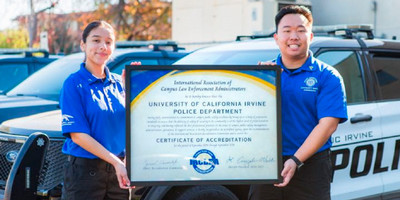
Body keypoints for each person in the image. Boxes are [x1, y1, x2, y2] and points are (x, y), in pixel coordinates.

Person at [249, 5, 348, 200]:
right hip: (265, 165)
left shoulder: (327, 76)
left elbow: (327, 126)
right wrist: (257, 82)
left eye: (301, 31)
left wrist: (296, 160)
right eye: (287, 31)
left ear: (310, 37)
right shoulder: (262, 75)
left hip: (311, 167)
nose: (294, 36)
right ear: (277, 38)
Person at [60, 20, 131, 200]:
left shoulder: (119, 83)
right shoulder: (74, 84)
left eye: (108, 42)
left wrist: (135, 88)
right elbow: (78, 135)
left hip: (118, 173)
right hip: (84, 175)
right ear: (83, 45)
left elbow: (134, 125)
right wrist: (117, 163)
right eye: (96, 40)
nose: (103, 47)